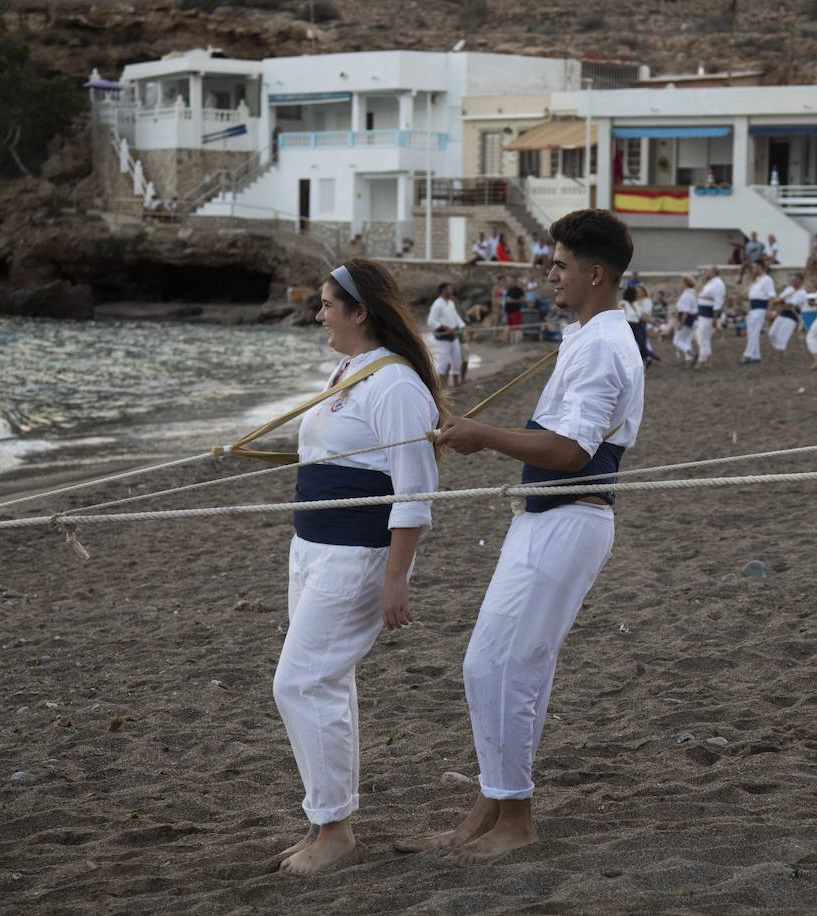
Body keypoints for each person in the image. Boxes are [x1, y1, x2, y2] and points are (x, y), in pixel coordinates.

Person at [402, 209, 644, 865]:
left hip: (569, 518)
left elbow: (571, 448)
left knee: (500, 665)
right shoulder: (590, 335)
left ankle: (516, 817)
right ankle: (495, 802)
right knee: (502, 665)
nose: (550, 274)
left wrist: (485, 437)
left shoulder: (600, 344)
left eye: (560, 265)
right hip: (547, 518)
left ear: (595, 274)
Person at [274, 259, 445, 875]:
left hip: (357, 555)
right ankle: (328, 821)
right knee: (328, 683)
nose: (319, 314)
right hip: (312, 550)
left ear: (359, 311)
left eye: (326, 304)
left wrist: (397, 576)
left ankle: (336, 831)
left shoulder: (397, 385)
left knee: (299, 683)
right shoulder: (349, 370)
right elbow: (334, 453)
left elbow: (415, 490)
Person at [428, 282, 467, 387]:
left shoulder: (450, 303)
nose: (451, 291)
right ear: (443, 291)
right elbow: (431, 321)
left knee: (457, 359)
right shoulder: (437, 304)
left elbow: (455, 317)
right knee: (444, 362)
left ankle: (456, 383)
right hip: (443, 337)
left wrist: (463, 326)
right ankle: (441, 386)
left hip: (453, 336)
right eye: (449, 289)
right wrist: (445, 327)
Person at [767, 273, 806, 361]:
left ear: (801, 281)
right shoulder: (789, 289)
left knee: (782, 336)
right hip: (783, 313)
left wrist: (779, 304)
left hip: (792, 315)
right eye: (793, 279)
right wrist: (778, 303)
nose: (793, 281)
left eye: (796, 280)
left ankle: (779, 355)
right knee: (772, 333)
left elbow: (791, 305)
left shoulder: (802, 293)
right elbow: (779, 299)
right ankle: (780, 351)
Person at [743, 260, 775, 364]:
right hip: (753, 308)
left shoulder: (767, 280)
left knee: (754, 332)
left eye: (754, 267)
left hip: (760, 308)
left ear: (760, 267)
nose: (753, 269)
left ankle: (748, 354)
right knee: (751, 331)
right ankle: (756, 355)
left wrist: (768, 310)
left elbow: (771, 296)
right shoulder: (757, 280)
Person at [695, 266, 725, 367]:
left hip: (708, 315)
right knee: (703, 337)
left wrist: (715, 318)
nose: (706, 273)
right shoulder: (710, 283)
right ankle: (707, 359)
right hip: (703, 314)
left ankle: (702, 360)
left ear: (713, 272)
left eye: (707, 271)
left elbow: (718, 302)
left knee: (703, 337)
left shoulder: (718, 284)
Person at [673, 275, 699, 364]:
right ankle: (689, 359)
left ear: (685, 283)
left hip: (687, 320)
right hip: (692, 320)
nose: (680, 284)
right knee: (686, 339)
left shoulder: (687, 295)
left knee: (677, 341)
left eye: (681, 282)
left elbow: (686, 311)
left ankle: (690, 353)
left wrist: (681, 323)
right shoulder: (692, 293)